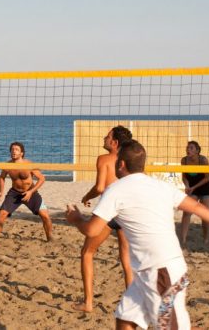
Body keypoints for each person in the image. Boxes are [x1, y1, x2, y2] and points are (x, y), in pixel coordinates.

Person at [66, 140, 209, 330]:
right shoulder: (160, 186)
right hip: (151, 272)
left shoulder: (115, 190)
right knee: (125, 319)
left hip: (161, 272)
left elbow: (91, 230)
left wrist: (76, 218)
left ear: (121, 164)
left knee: (172, 327)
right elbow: (195, 206)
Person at [73, 126, 134, 312]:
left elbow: (99, 188)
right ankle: (132, 304)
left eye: (107, 137)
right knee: (126, 258)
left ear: (114, 143)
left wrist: (86, 197)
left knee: (87, 253)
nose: (104, 138)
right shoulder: (130, 161)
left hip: (108, 211)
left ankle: (88, 302)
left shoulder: (103, 159)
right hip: (126, 211)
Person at [0, 141, 53, 242]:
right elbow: (2, 177)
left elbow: (42, 179)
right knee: (1, 215)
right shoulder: (8, 165)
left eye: (16, 150)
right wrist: (1, 191)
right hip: (14, 193)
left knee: (45, 216)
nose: (13, 151)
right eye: (12, 149)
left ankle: (50, 238)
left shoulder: (29, 164)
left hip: (30, 192)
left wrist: (31, 192)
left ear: (22, 153)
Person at [180, 140, 209, 247]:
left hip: (205, 189)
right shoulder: (184, 160)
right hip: (192, 189)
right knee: (186, 212)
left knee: (205, 215)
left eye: (191, 148)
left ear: (197, 151)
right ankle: (183, 240)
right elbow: (184, 176)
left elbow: (207, 178)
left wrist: (193, 187)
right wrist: (187, 186)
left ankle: (206, 238)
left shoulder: (203, 160)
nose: (188, 150)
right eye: (187, 148)